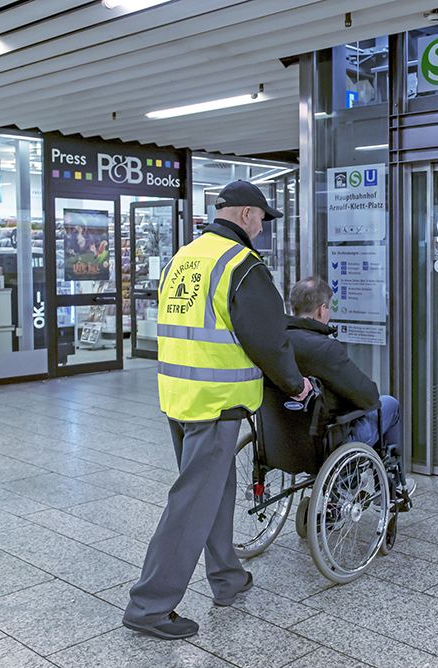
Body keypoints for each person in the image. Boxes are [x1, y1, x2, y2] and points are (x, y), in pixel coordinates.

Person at [123, 181, 311, 640]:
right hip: (216, 402)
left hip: (179, 397)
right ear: (246, 214)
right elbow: (268, 340)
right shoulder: (241, 265)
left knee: (216, 492)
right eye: (262, 218)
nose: (262, 227)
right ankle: (149, 605)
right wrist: (296, 384)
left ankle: (227, 577)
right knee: (191, 502)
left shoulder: (183, 258)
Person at [285, 275, 412, 500]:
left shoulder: (277, 343)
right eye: (329, 307)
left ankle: (353, 483)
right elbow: (368, 396)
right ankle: (389, 490)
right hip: (326, 442)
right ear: (321, 310)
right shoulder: (325, 348)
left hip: (284, 440)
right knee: (389, 404)